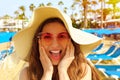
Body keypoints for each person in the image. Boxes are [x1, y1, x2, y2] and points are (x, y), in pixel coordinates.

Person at [12, 6, 102, 80]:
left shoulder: (82, 70)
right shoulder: (27, 74)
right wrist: (47, 72)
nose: (55, 44)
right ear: (39, 42)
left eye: (62, 36)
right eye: (47, 37)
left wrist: (62, 71)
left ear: (71, 41)